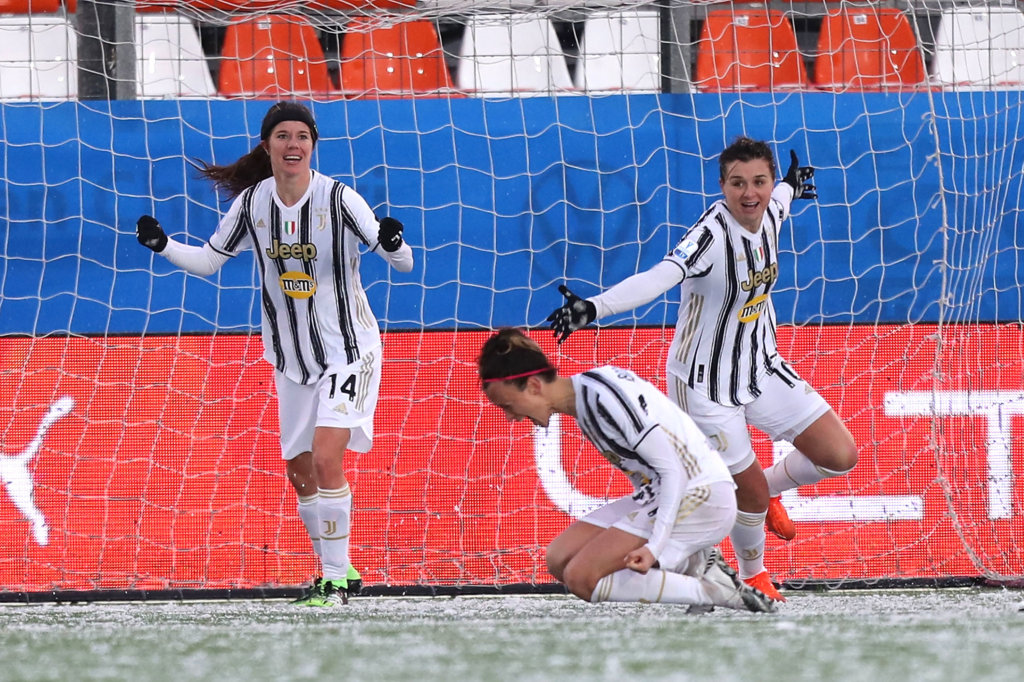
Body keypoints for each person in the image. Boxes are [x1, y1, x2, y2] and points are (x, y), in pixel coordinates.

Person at [546, 137, 858, 602]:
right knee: (744, 497)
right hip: (706, 385)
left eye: (760, 182)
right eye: (737, 184)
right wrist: (594, 307)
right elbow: (658, 277)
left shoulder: (774, 207)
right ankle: (753, 575)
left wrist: (792, 185)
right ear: (722, 186)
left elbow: (785, 197)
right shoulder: (710, 235)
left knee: (839, 455)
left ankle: (769, 490)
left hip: (762, 366)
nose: (749, 194)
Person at [135, 101, 414, 607]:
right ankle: (340, 567)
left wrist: (394, 243)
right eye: (283, 136)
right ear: (267, 146)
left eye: (302, 136)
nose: (293, 144)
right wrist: (163, 245)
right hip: (290, 358)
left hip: (349, 349)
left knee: (329, 457)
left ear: (313, 145)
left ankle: (334, 581)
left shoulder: (339, 200)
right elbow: (207, 263)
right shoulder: (252, 203)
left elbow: (403, 262)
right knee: (300, 469)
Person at [478, 327, 775, 613]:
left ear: (532, 386)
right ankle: (699, 565)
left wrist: (655, 547)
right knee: (558, 558)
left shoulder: (604, 398)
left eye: (508, 405)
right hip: (665, 494)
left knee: (582, 579)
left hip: (701, 493)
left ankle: (715, 591)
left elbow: (675, 471)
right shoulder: (585, 398)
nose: (510, 417)